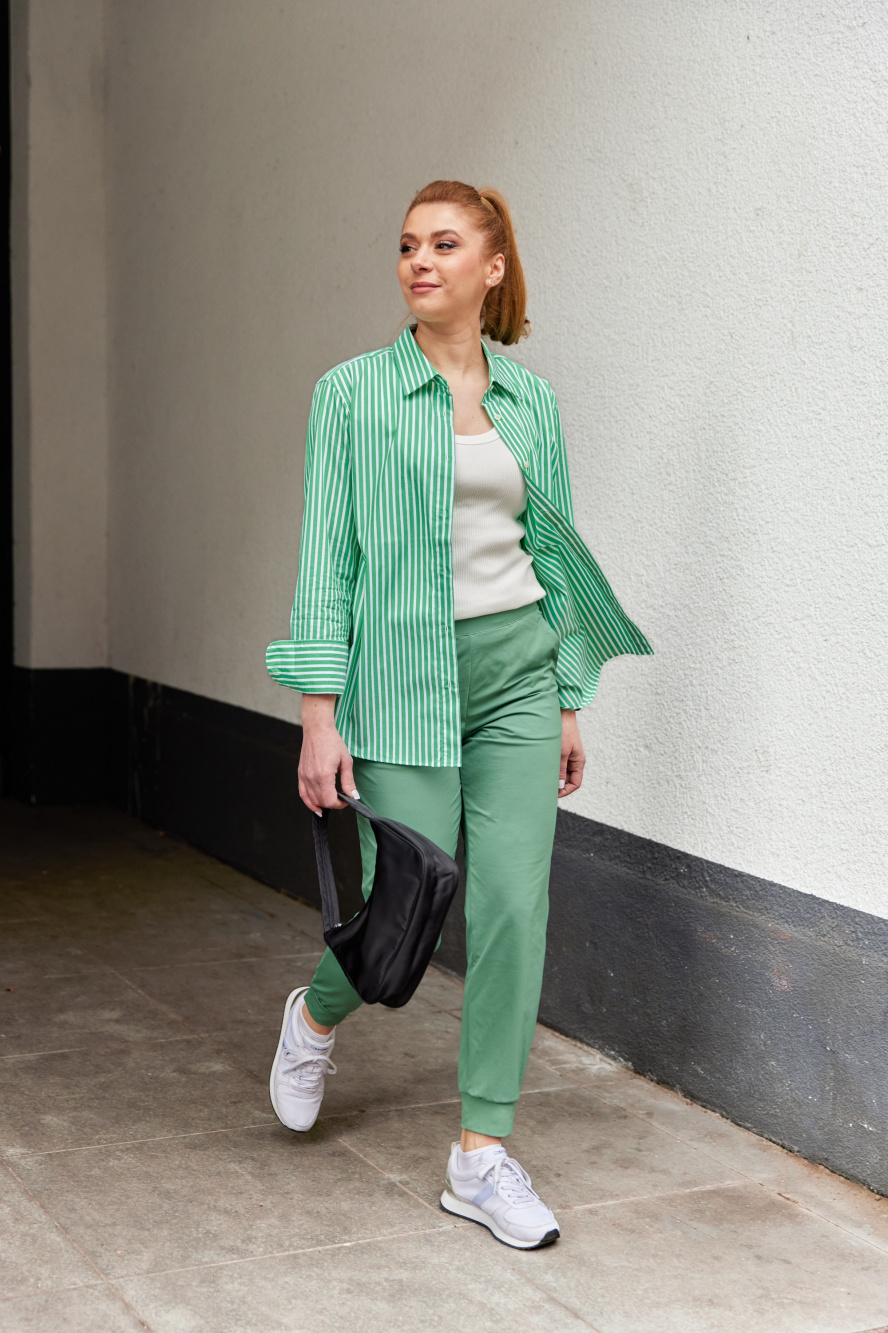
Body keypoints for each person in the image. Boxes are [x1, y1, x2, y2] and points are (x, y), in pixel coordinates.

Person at [265, 179, 652, 1250]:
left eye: (443, 244)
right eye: (405, 245)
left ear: (493, 268)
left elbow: (552, 555)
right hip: (401, 682)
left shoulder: (533, 403)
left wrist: (568, 694)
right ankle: (316, 1014)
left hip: (519, 674)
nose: (417, 261)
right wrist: (317, 709)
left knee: (515, 909)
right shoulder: (350, 395)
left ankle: (481, 1155)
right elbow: (326, 558)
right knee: (403, 907)